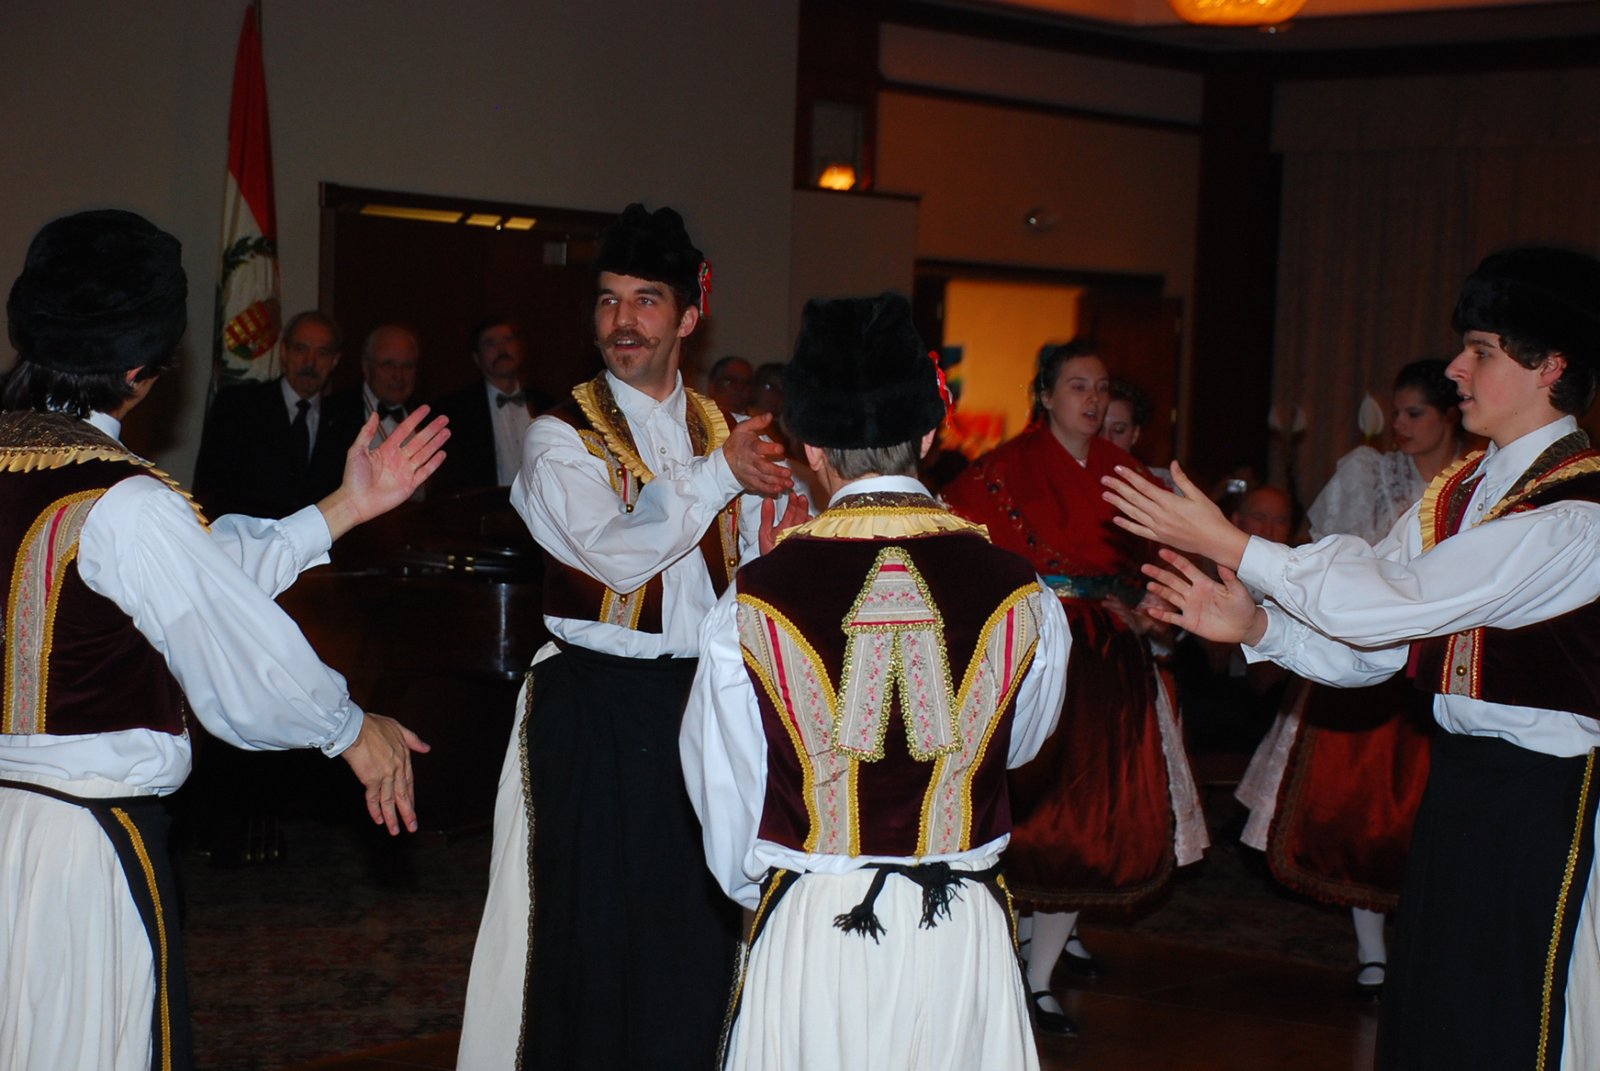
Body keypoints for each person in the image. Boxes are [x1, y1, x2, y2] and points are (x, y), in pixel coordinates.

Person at [1104, 246, 1600, 1070]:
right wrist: (1260, 628)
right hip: (1464, 783)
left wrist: (1235, 544)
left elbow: (1392, 601)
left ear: (1551, 366)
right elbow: (1374, 646)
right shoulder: (1463, 490)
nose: (1456, 369)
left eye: (1480, 351)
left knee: (1514, 1021)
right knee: (1436, 1014)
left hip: (1545, 801)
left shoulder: (1576, 516)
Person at [0, 209, 448, 1071]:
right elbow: (233, 648)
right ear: (140, 369)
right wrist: (349, 726)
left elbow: (199, 575)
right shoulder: (123, 500)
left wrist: (346, 505)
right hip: (81, 853)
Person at [680, 292, 1070, 1070]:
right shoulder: (1025, 590)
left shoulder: (751, 598)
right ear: (928, 433)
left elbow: (726, 797)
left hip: (817, 925)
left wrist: (791, 882)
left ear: (811, 447)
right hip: (961, 929)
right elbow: (1022, 745)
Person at [457, 203, 794, 1071]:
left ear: (689, 316)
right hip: (594, 708)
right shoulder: (557, 436)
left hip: (698, 704)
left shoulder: (723, 431)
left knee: (693, 929)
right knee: (586, 936)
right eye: (608, 300)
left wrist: (784, 520)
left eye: (647, 300)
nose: (623, 321)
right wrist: (719, 478)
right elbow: (614, 555)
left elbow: (753, 574)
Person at [942, 339, 1207, 1037]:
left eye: (1101, 386)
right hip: (1031, 654)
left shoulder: (1126, 473)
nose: (1093, 399)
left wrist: (1145, 607)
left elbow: (1161, 561)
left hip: (1108, 663)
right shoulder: (1001, 470)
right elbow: (959, 552)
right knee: (1022, 813)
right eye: (1078, 385)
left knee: (1087, 818)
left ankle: (1039, 979)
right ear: (1045, 395)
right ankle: (997, 963)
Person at [1235, 359, 1463, 1000]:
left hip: (1439, 661)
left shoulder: (1473, 479)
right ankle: (1371, 950)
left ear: (1449, 416)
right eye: (1397, 412)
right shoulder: (1369, 471)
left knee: (1426, 809)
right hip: (1368, 649)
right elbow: (1326, 555)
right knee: (1364, 808)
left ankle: (1423, 942)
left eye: (1415, 413)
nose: (1401, 425)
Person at [192, 309, 356, 517]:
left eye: (322, 353)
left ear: (335, 361)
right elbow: (208, 490)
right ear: (284, 352)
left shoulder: (344, 422)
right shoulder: (238, 406)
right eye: (301, 349)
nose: (310, 363)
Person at [430, 315, 552, 493]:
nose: (502, 349)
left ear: (520, 349)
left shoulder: (547, 404)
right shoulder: (458, 411)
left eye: (508, 340)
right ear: (476, 358)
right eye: (490, 344)